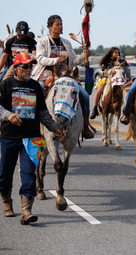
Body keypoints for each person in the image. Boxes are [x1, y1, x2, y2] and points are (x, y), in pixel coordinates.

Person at [0, 53, 65, 225]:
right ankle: (7, 200)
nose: (29, 70)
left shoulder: (35, 86)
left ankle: (26, 210)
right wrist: (8, 115)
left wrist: (55, 128)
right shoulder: (6, 84)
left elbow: (43, 113)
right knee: (4, 174)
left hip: (32, 137)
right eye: (26, 67)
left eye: (31, 66)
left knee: (29, 173)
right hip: (9, 136)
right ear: (16, 68)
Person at [31, 15, 94, 139]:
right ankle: (33, 127)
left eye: (61, 24)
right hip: (46, 76)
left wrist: (83, 55)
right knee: (36, 94)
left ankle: (85, 126)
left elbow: (74, 60)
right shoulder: (43, 41)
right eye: (57, 25)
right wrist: (55, 60)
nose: (60, 27)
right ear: (49, 27)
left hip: (66, 76)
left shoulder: (66, 43)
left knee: (84, 95)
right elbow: (40, 59)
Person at [90, 47, 130, 119]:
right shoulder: (106, 60)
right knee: (99, 91)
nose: (117, 54)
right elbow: (105, 71)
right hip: (107, 78)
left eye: (118, 53)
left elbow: (123, 68)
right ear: (111, 53)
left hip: (117, 79)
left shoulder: (120, 60)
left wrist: (118, 62)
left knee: (125, 90)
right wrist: (110, 70)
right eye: (116, 53)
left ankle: (125, 109)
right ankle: (95, 108)